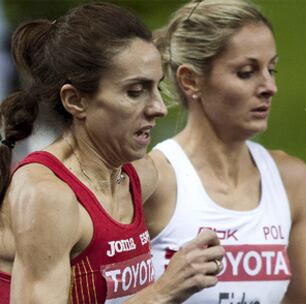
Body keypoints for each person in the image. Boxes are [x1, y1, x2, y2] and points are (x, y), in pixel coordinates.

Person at [142, 0, 306, 303]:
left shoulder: (289, 180)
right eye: (247, 72)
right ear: (190, 80)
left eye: (271, 69)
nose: (269, 86)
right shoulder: (153, 180)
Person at [0, 2, 224, 303]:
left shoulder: (141, 176)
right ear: (75, 100)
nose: (158, 108)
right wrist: (162, 292)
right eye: (135, 91)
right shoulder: (47, 197)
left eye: (157, 87)